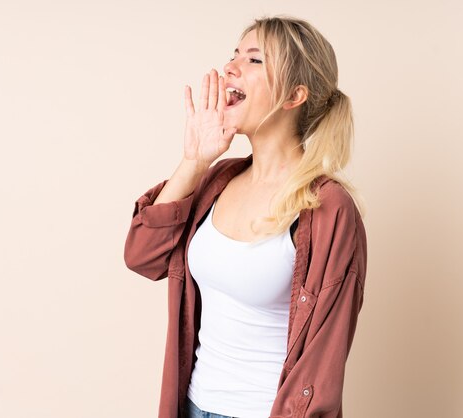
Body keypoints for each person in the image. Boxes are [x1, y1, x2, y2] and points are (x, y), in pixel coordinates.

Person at [124, 15, 368, 418]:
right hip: (191, 405)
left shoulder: (328, 208)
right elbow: (141, 256)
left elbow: (322, 369)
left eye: (254, 60)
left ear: (294, 96)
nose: (230, 68)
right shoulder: (218, 179)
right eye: (233, 55)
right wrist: (194, 161)